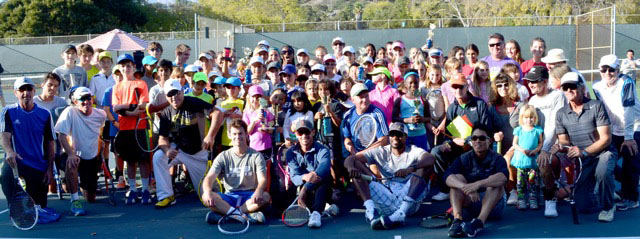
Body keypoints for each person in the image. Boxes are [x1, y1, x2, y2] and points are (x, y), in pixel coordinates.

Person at [545, 72, 616, 222]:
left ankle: (608, 207)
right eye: (565, 87)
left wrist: (584, 152)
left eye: (572, 86)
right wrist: (560, 147)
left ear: (582, 87)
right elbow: (564, 141)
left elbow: (606, 139)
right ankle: (606, 192)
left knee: (602, 172)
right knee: (584, 206)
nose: (569, 90)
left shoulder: (596, 106)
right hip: (583, 160)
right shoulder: (561, 114)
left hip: (603, 153)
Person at [344, 122, 434, 229]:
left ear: (406, 137)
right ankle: (371, 212)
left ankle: (400, 214)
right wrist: (351, 168)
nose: (395, 138)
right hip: (386, 195)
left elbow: (431, 158)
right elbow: (350, 159)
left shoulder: (413, 150)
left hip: (408, 200)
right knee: (355, 164)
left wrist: (411, 169)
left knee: (426, 166)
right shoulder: (381, 151)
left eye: (399, 135)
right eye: (392, 134)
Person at [431, 73, 503, 201]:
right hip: (458, 144)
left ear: (467, 87)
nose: (458, 90)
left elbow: (487, 130)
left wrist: (468, 140)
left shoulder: (480, 104)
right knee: (437, 151)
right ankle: (445, 189)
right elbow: (450, 133)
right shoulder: (452, 108)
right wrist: (450, 142)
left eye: (461, 87)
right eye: (455, 87)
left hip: (478, 144)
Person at [153, 79, 222, 208]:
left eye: (177, 93)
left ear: (182, 92)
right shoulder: (166, 113)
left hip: (198, 152)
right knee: (158, 156)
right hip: (179, 151)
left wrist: (210, 136)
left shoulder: (193, 102)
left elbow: (218, 112)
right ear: (166, 96)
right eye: (170, 94)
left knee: (209, 196)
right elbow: (162, 139)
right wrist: (167, 150)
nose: (174, 97)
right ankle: (167, 195)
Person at [0, 77, 59, 221]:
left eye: (29, 89)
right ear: (15, 93)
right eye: (21, 90)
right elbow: (4, 135)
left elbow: (51, 143)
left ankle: (30, 199)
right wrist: (9, 151)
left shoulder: (45, 114)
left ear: (34, 91)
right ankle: (14, 206)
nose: (25, 93)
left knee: (40, 206)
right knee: (6, 175)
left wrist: (50, 169)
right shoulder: (8, 111)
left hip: (37, 164)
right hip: (17, 161)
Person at [592, 54, 640, 210]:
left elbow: (628, 111)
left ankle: (631, 197)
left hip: (634, 127)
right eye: (603, 69)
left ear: (618, 70)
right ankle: (625, 184)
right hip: (615, 129)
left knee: (630, 159)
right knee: (606, 158)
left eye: (611, 70)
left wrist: (628, 137)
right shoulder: (596, 87)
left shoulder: (626, 82)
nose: (607, 73)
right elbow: (603, 110)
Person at [202, 119, 270, 224]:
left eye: (240, 133)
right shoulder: (223, 156)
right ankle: (243, 216)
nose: (237, 137)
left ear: (247, 134)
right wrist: (207, 193)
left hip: (249, 197)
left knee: (265, 196)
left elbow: (263, 180)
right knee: (205, 196)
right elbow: (209, 178)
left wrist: (259, 191)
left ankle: (227, 215)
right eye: (234, 134)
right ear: (229, 135)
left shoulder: (256, 156)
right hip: (229, 197)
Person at [445, 126, 508, 238]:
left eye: (482, 138)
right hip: (470, 203)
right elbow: (447, 177)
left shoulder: (498, 158)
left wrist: (477, 185)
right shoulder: (463, 158)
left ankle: (479, 222)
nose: (478, 141)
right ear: (471, 141)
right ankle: (457, 221)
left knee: (495, 183)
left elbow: (503, 177)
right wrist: (466, 187)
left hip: (494, 207)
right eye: (474, 138)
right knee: (456, 179)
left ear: (489, 141)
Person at [54, 87, 106, 215]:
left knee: (90, 198)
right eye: (82, 99)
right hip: (74, 155)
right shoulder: (69, 112)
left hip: (91, 157)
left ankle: (82, 185)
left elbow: (100, 134)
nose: (86, 101)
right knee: (71, 164)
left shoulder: (101, 115)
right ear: (75, 102)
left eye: (88, 98)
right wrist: (71, 154)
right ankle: (74, 200)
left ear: (92, 99)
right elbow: (61, 136)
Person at [111, 54, 152, 205]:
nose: (125, 68)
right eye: (122, 66)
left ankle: (146, 190)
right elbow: (116, 108)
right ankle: (133, 190)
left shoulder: (141, 84)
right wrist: (130, 111)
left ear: (134, 67)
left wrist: (126, 108)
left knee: (143, 160)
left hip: (140, 127)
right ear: (119, 69)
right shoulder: (116, 87)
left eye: (128, 65)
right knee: (130, 161)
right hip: (125, 128)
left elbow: (142, 105)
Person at [286, 119, 337, 228]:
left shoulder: (323, 150)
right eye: (300, 133)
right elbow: (294, 177)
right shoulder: (290, 153)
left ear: (313, 132)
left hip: (320, 185)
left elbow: (322, 171)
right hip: (302, 187)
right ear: (296, 134)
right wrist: (305, 177)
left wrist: (305, 189)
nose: (304, 136)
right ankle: (325, 208)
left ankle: (316, 213)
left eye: (307, 132)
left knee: (324, 180)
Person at [341, 83, 390, 158]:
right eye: (361, 97)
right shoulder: (348, 115)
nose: (365, 100)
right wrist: (351, 149)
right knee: (348, 163)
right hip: (357, 156)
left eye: (366, 96)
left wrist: (362, 154)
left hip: (376, 156)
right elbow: (347, 138)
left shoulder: (377, 114)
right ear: (352, 100)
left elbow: (384, 140)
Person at [511, 105, 543, 210]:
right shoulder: (518, 130)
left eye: (531, 117)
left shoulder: (537, 130)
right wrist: (522, 150)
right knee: (520, 181)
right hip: (521, 160)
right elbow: (514, 144)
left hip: (532, 161)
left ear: (535, 118)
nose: (528, 120)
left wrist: (535, 151)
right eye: (526, 117)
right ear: (521, 118)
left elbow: (540, 144)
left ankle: (532, 199)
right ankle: (521, 199)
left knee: (533, 180)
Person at [392, 71, 431, 151]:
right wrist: (407, 120)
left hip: (421, 136)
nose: (413, 85)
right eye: (410, 83)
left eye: (416, 82)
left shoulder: (423, 100)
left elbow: (429, 118)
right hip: (405, 136)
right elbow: (394, 118)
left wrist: (422, 119)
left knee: (422, 160)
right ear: (405, 84)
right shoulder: (400, 100)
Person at [242, 85, 275, 158]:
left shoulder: (266, 111)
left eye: (257, 97)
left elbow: (271, 130)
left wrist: (266, 128)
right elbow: (247, 132)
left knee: (266, 167)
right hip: (254, 147)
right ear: (249, 98)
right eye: (253, 97)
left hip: (266, 146)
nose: (255, 100)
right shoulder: (247, 113)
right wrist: (254, 121)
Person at [421, 64, 447, 146]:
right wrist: (430, 126)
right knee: (430, 144)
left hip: (441, 121)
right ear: (428, 74)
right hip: (429, 121)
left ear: (441, 75)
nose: (435, 77)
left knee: (441, 145)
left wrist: (442, 124)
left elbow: (446, 105)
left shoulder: (443, 87)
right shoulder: (423, 88)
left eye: (437, 75)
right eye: (432, 74)